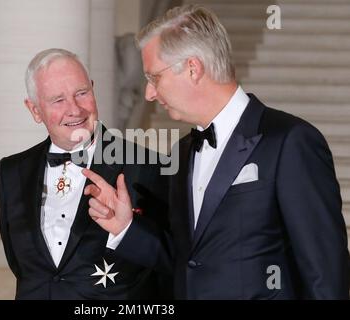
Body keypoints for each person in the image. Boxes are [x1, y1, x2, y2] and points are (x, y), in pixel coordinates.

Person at [82, 5, 350, 299]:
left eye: (154, 77)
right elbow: (191, 262)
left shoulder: (290, 141)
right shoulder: (183, 151)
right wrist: (126, 227)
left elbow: (325, 275)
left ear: (193, 68)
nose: (149, 94)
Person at [0, 48, 170, 299]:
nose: (75, 110)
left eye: (82, 93)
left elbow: (170, 265)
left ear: (93, 89)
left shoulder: (149, 168)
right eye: (58, 100)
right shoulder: (12, 172)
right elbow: (23, 268)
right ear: (34, 110)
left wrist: (127, 230)